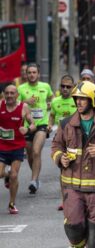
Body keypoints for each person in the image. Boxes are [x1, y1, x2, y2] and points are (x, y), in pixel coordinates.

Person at [51, 81, 95, 247]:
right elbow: (56, 146)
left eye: (83, 99)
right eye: (77, 98)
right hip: (71, 183)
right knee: (73, 226)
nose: (78, 102)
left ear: (92, 100)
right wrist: (60, 157)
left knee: (94, 233)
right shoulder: (66, 124)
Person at [18, 63, 54, 194]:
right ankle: (36, 176)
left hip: (41, 124)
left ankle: (33, 180)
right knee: (30, 154)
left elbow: (52, 98)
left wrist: (51, 105)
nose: (32, 75)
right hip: (27, 126)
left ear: (38, 74)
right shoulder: (21, 89)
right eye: (29, 72)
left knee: (36, 151)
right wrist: (25, 102)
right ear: (26, 74)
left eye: (34, 72)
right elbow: (15, 105)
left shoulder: (45, 86)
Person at [0, 85, 35, 214]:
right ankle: (6, 175)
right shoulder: (0, 105)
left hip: (17, 146)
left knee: (14, 175)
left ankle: (11, 203)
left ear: (17, 95)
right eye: (7, 93)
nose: (9, 96)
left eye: (12, 93)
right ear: (3, 94)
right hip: (2, 146)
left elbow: (33, 123)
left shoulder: (23, 108)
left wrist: (28, 129)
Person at [48, 75, 77, 210]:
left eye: (68, 87)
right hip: (61, 140)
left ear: (73, 87)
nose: (65, 89)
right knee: (63, 169)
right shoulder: (55, 102)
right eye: (62, 86)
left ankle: (78, 198)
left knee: (76, 169)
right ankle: (65, 200)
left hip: (76, 139)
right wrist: (49, 125)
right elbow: (52, 116)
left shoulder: (78, 101)